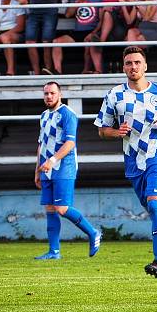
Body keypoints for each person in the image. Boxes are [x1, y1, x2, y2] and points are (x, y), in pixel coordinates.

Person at [94, 46, 157, 278]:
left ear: (145, 66)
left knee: (155, 204)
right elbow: (102, 131)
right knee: (153, 209)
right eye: (129, 63)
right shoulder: (114, 95)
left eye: (137, 62)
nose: (133, 67)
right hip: (133, 160)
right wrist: (116, 132)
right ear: (123, 67)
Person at [35, 81, 101, 259]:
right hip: (46, 168)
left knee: (62, 208)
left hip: (64, 166)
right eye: (46, 93)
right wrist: (37, 170)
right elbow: (41, 144)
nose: (49, 96)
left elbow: (70, 143)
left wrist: (53, 159)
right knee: (50, 208)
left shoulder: (68, 114)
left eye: (52, 93)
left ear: (60, 94)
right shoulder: (43, 116)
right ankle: (53, 251)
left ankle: (93, 232)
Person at [14, 0, 59, 76]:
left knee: (46, 41)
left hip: (49, 10)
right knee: (30, 41)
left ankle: (48, 70)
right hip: (34, 12)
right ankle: (37, 72)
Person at [51, 0, 102, 74]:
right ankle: (58, 72)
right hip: (78, 31)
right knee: (56, 41)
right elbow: (68, 14)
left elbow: (102, 19)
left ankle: (86, 71)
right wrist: (78, 2)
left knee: (89, 41)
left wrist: (94, 32)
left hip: (92, 30)